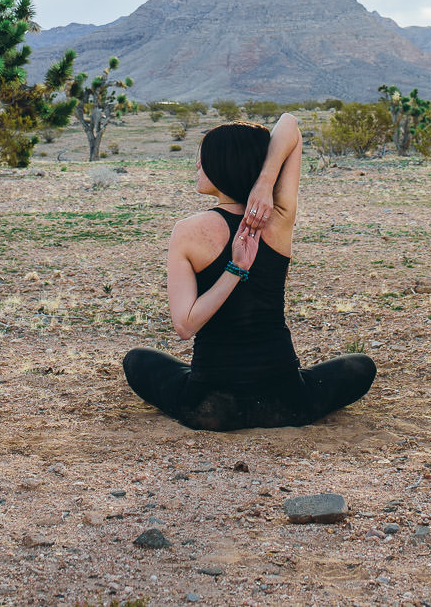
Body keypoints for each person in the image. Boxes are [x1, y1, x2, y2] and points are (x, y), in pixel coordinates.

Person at [122, 112, 376, 430]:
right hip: (286, 402)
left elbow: (185, 326)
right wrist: (266, 183)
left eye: (203, 159)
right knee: (361, 365)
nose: (197, 166)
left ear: (223, 163)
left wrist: (233, 271)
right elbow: (289, 125)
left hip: (209, 405)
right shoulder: (279, 219)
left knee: (137, 360)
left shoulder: (187, 231)